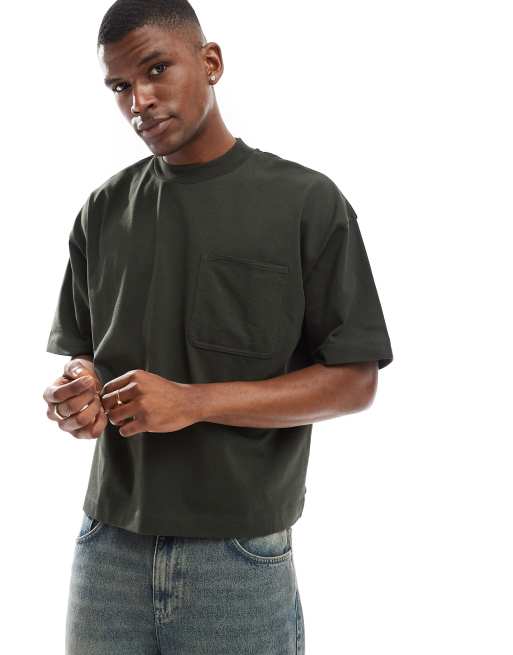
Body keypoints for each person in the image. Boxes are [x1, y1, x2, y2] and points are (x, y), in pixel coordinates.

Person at [42, 1, 394, 653]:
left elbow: (355, 380)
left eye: (156, 69)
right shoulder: (102, 210)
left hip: (236, 554)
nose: (139, 101)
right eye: (119, 86)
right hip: (106, 544)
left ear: (210, 62)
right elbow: (84, 350)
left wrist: (195, 401)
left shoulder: (305, 202)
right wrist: (78, 388)